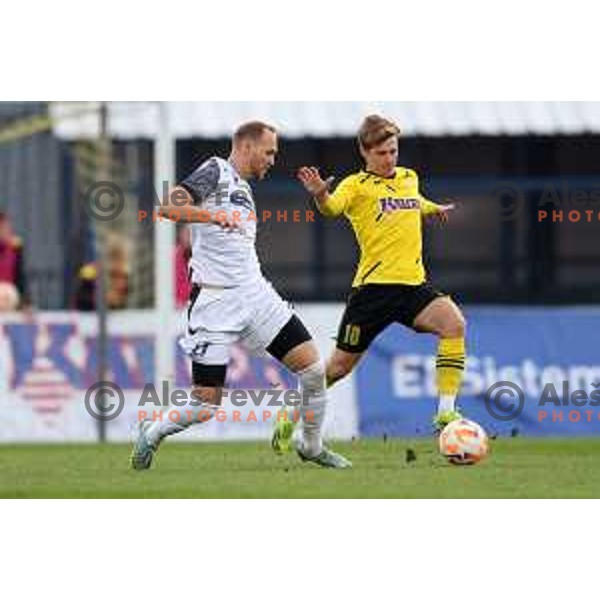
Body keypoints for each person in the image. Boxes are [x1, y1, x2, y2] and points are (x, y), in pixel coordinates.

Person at [130, 121, 351, 470]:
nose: (272, 160)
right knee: (206, 404)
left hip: (257, 296)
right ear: (247, 147)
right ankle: (153, 431)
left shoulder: (244, 188)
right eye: (269, 152)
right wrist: (211, 214)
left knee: (312, 370)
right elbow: (166, 208)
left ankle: (311, 446)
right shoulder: (215, 170)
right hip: (216, 303)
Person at [290, 115, 467, 437]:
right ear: (365, 152)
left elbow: (412, 201)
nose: (389, 158)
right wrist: (319, 195)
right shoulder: (355, 186)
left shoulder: (409, 177)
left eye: (393, 151)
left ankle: (445, 412)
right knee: (337, 369)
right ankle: (289, 418)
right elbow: (332, 208)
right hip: (372, 291)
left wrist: (432, 208)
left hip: (413, 287)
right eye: (382, 153)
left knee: (454, 324)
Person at [0, 211, 30, 310]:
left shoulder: (15, 248)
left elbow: (20, 278)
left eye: (7, 227)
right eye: (3, 228)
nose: (6, 231)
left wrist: (26, 303)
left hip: (10, 300)